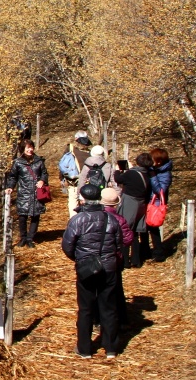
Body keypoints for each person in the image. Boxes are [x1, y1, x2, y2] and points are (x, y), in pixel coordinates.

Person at [62, 183, 124, 359]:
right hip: (109, 267)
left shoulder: (77, 220)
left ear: (83, 199)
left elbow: (67, 246)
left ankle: (84, 348)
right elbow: (119, 244)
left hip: (86, 269)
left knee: (86, 308)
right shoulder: (111, 219)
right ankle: (111, 348)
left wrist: (80, 259)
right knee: (109, 307)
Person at [4, 139, 49, 248]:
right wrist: (10, 187)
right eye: (27, 148)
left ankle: (30, 238)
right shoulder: (18, 162)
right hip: (23, 193)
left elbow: (44, 173)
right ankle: (23, 238)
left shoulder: (39, 161)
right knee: (22, 216)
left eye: (31, 147)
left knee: (35, 216)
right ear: (23, 149)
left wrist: (42, 181)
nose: (30, 150)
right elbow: (13, 177)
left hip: (36, 193)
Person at [101, 187, 135, 324]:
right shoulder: (119, 219)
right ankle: (121, 320)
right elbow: (128, 239)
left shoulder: (93, 217)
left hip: (94, 259)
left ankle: (98, 319)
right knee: (117, 290)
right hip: (114, 259)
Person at [114, 152, 153, 267]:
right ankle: (136, 260)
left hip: (130, 203)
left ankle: (125, 261)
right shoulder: (148, 173)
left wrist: (117, 170)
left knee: (125, 231)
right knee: (135, 232)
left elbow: (118, 179)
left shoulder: (131, 173)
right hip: (141, 204)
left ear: (138, 161)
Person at [58, 132, 93, 218]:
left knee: (74, 202)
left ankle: (75, 221)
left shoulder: (71, 149)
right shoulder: (90, 152)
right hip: (85, 181)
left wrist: (62, 178)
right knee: (84, 203)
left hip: (75, 181)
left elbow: (63, 164)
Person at [148, 147, 173, 260]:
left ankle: (159, 252)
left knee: (153, 227)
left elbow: (160, 191)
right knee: (146, 227)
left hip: (156, 204)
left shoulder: (165, 174)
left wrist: (153, 176)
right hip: (149, 201)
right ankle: (148, 251)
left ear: (159, 161)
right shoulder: (154, 169)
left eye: (152, 159)